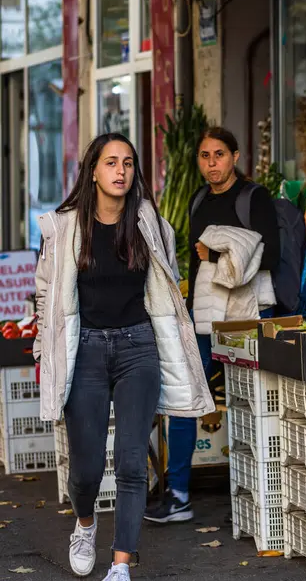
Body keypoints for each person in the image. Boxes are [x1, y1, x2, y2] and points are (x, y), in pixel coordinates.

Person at [33, 132, 214, 580]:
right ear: (93, 170)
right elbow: (46, 294)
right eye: (111, 162)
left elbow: (167, 286)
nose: (121, 171)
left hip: (138, 349)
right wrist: (45, 347)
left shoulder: (149, 223)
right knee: (86, 469)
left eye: (128, 163)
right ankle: (86, 523)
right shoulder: (65, 227)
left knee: (133, 461)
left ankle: (120, 564)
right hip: (87, 352)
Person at [144, 127, 281, 524]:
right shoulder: (198, 199)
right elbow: (193, 265)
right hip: (203, 318)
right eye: (204, 156)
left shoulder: (254, 197)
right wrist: (185, 312)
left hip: (245, 316)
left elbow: (272, 253)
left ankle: (260, 496)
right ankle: (179, 494)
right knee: (186, 400)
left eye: (218, 155)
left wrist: (219, 249)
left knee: (253, 402)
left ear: (235, 156)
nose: (211, 163)